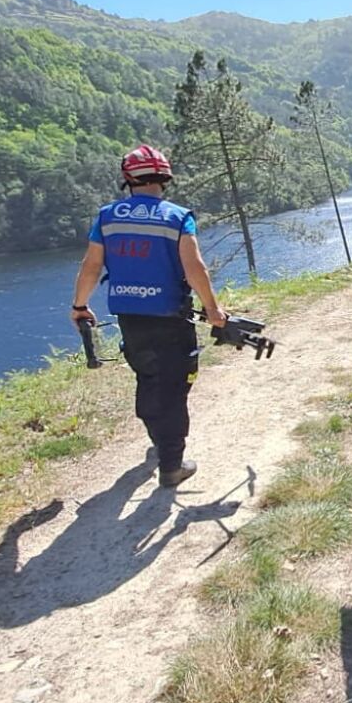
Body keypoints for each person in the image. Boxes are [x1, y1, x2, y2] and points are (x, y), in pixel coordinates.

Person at [70, 145, 228, 488]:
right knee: (175, 386)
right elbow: (194, 266)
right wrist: (213, 309)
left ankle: (159, 440)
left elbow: (92, 266)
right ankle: (171, 465)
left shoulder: (108, 217)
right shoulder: (177, 217)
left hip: (131, 316)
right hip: (171, 317)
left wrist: (80, 305)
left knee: (148, 377)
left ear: (128, 179)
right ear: (165, 178)